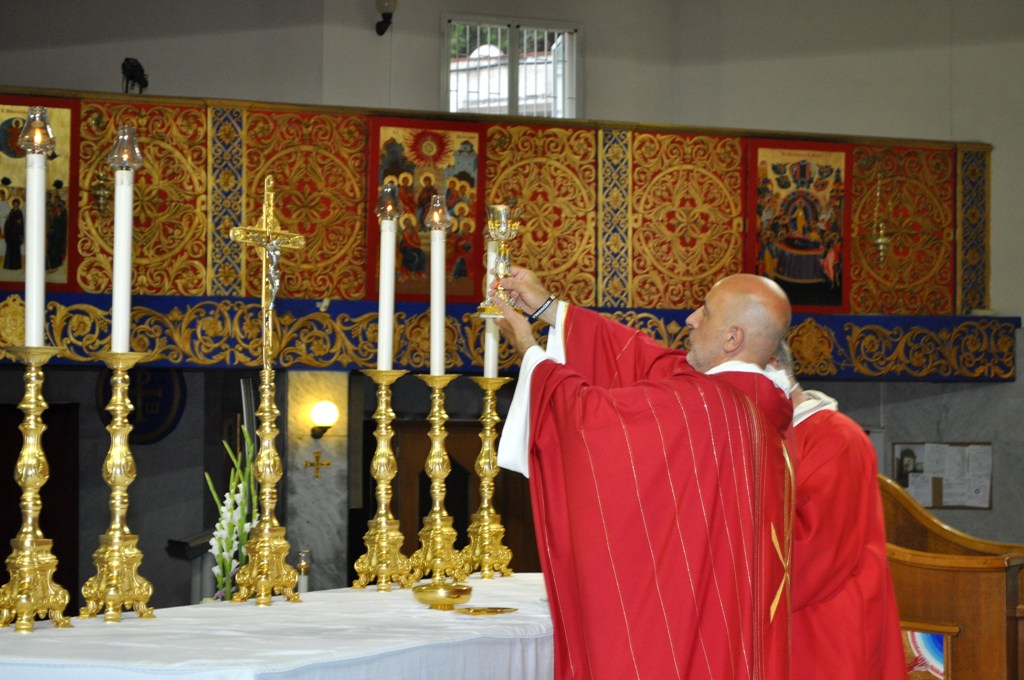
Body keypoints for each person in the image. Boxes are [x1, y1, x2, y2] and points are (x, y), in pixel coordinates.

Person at [493, 266, 794, 680]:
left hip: (684, 628)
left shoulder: (702, 404)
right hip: (726, 626)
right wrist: (550, 309)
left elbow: (589, 422)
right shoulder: (760, 408)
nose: (690, 319)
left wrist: (530, 352)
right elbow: (649, 361)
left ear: (732, 339)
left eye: (705, 312)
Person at [772, 342, 906, 679]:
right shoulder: (778, 436)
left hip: (824, 635)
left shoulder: (835, 438)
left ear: (771, 368)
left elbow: (814, 552)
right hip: (797, 629)